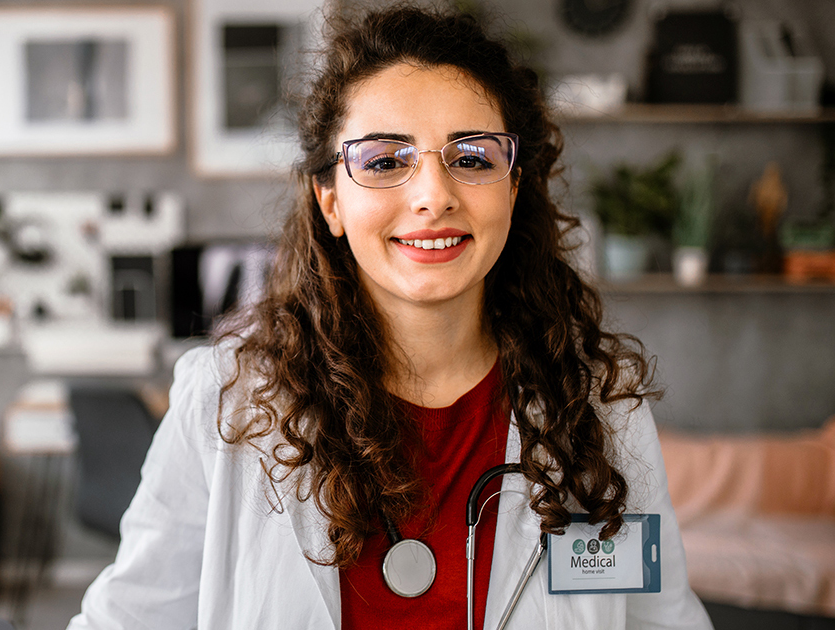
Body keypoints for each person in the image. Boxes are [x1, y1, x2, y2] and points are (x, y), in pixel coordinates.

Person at [67, 5, 713, 629]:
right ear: (330, 202)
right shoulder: (224, 402)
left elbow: (661, 621)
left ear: (513, 188)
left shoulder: (599, 403)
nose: (434, 195)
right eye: (384, 162)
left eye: (472, 158)